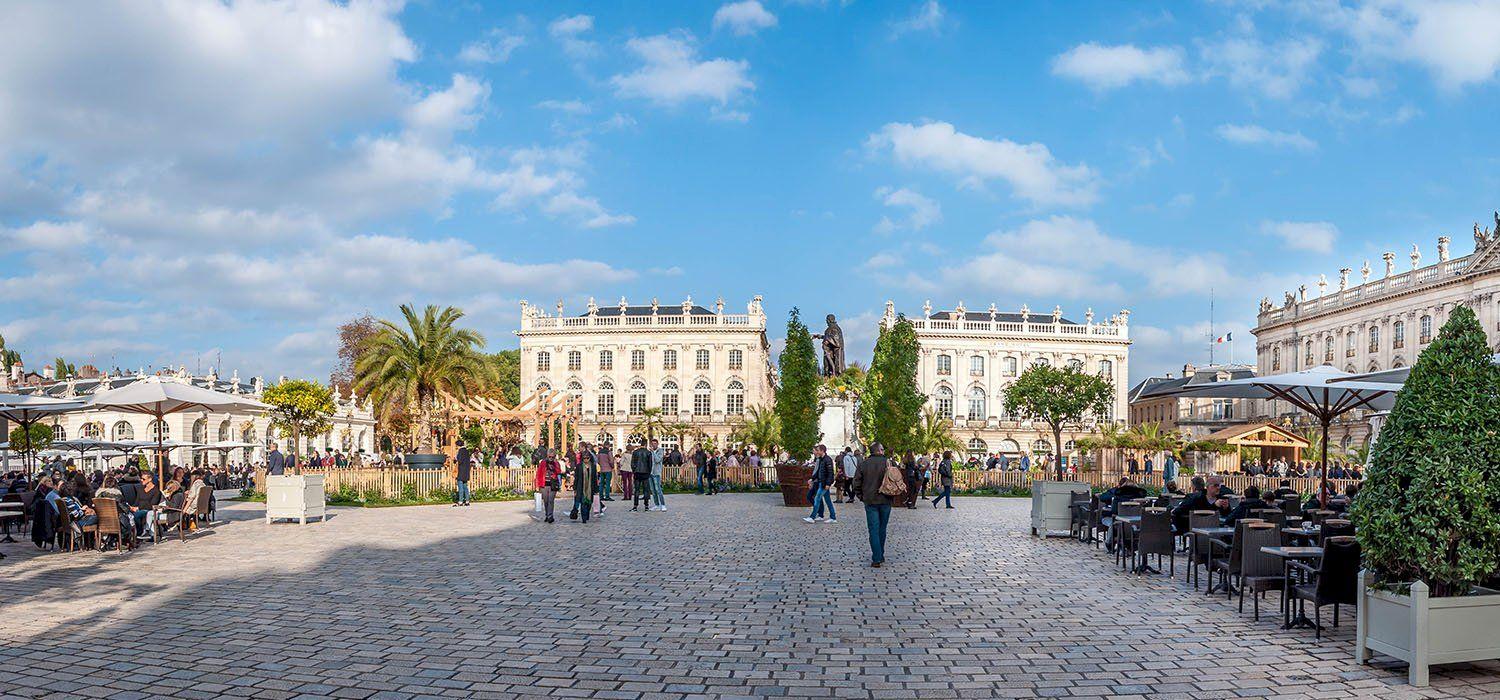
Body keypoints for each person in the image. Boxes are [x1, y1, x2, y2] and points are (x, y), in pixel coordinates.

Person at [850, 442, 896, 567]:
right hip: (886, 499)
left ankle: (876, 557)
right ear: (880, 450)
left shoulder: (864, 464)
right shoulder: (889, 462)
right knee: (882, 528)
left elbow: (856, 483)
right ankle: (880, 554)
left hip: (870, 500)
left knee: (873, 529)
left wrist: (861, 496)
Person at [803, 445, 837, 523]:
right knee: (828, 500)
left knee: (817, 498)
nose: (817, 452)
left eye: (818, 450)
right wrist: (812, 479)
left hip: (824, 483)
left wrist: (828, 484)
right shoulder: (821, 459)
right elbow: (818, 472)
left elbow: (830, 473)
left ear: (822, 451)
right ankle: (833, 517)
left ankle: (812, 517)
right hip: (822, 482)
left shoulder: (827, 460)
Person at [569, 445, 597, 523]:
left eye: (587, 458)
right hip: (581, 487)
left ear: (590, 458)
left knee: (589, 503)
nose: (586, 459)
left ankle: (587, 514)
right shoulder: (579, 466)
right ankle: (584, 518)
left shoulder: (593, 466)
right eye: (584, 458)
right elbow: (576, 478)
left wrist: (596, 489)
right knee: (583, 503)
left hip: (590, 487)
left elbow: (595, 478)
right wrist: (575, 488)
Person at [533, 448, 562, 524]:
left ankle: (550, 516)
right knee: (546, 501)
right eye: (550, 457)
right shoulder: (543, 462)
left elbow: (559, 472)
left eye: (553, 457)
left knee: (551, 500)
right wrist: (537, 485)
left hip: (553, 484)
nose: (551, 458)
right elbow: (539, 473)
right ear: (547, 456)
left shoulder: (556, 463)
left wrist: (555, 465)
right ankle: (547, 515)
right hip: (544, 484)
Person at [630, 441, 653, 512]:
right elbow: (650, 464)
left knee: (637, 490)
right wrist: (649, 472)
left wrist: (634, 471)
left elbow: (632, 463)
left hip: (637, 472)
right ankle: (646, 506)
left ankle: (635, 506)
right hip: (645, 472)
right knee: (646, 490)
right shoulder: (648, 452)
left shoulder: (635, 452)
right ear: (646, 444)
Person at [648, 438, 666, 512]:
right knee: (653, 490)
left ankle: (663, 505)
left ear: (657, 444)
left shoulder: (660, 451)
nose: (653, 445)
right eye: (652, 444)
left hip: (657, 473)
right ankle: (657, 505)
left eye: (655, 443)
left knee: (658, 489)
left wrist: (653, 452)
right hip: (650, 473)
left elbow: (658, 460)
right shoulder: (650, 452)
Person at [453, 441, 473, 507]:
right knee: (465, 487)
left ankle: (460, 501)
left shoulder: (460, 451)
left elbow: (460, 460)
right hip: (466, 471)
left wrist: (455, 459)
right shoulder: (467, 451)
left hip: (461, 471)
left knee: (460, 487)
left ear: (458, 445)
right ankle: (467, 501)